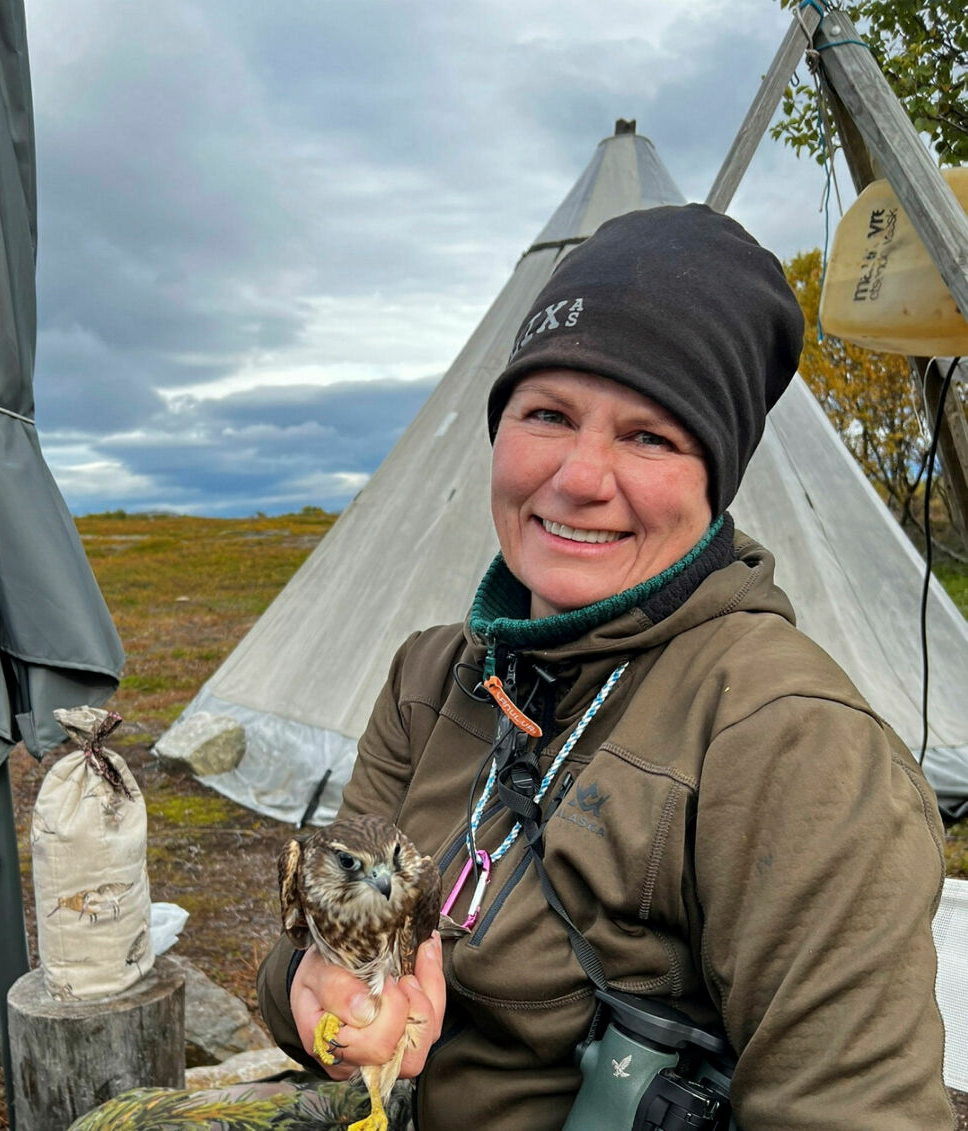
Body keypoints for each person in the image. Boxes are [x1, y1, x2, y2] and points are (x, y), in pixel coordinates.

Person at [256, 204, 952, 1130]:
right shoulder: (429, 677)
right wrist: (314, 985)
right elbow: (314, 942)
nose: (581, 476)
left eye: (649, 435)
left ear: (715, 478)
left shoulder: (795, 743)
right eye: (548, 414)